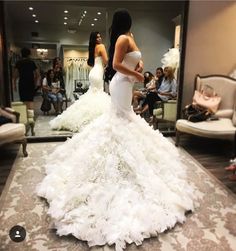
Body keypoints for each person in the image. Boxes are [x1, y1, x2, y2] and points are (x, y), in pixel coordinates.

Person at [37, 9, 195, 251]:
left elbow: (135, 58)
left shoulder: (129, 36)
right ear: (127, 21)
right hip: (121, 84)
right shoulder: (122, 38)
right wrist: (136, 74)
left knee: (125, 119)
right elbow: (116, 64)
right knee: (121, 119)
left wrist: (139, 65)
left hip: (127, 83)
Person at [49, 31, 110, 132]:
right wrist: (107, 66)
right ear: (94, 39)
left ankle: (88, 115)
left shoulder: (92, 48)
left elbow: (91, 63)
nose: (99, 39)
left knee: (93, 95)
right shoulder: (101, 47)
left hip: (93, 72)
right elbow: (106, 61)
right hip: (98, 73)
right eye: (97, 37)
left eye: (100, 37)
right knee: (98, 94)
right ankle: (96, 117)